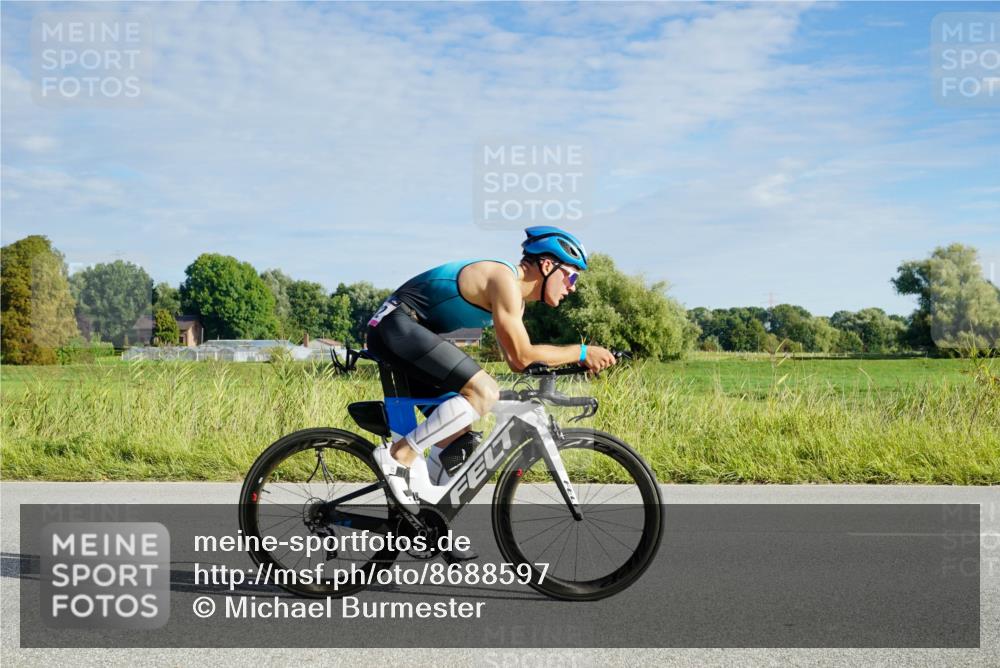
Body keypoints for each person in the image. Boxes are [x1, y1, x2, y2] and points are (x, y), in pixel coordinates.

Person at [367, 226, 617, 535]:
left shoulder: (516, 301)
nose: (572, 287)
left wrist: (567, 365)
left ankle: (426, 519)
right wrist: (582, 352)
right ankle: (398, 456)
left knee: (459, 434)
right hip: (395, 326)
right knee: (484, 392)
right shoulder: (504, 280)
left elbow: (517, 361)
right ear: (547, 265)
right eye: (572, 276)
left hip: (408, 334)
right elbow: (523, 357)